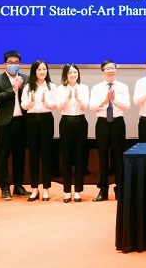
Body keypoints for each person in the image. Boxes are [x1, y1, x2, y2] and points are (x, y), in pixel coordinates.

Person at [0, 50, 30, 200]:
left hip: (21, 122)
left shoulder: (26, 79)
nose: (14, 65)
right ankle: (4, 188)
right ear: (5, 64)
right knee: (3, 156)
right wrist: (13, 89)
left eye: (16, 63)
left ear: (20, 64)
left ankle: (18, 186)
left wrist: (22, 88)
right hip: (4, 124)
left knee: (20, 156)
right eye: (10, 63)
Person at [89, 60, 130, 201]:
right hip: (102, 123)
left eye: (113, 68)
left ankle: (120, 189)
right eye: (108, 68)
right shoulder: (97, 88)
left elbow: (127, 106)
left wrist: (115, 99)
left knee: (119, 156)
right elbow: (92, 107)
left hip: (118, 123)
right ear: (102, 71)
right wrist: (106, 100)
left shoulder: (123, 87)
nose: (111, 70)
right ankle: (103, 189)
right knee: (102, 156)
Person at [20, 60, 57, 202]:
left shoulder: (51, 86)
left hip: (46, 120)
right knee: (33, 154)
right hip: (31, 120)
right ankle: (34, 188)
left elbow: (55, 105)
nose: (42, 72)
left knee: (46, 154)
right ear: (34, 71)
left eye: (44, 69)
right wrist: (31, 101)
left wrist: (46, 102)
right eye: (39, 69)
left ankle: (46, 188)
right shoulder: (27, 87)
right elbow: (24, 105)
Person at [55, 63, 89, 203]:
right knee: (67, 157)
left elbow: (86, 106)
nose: (73, 75)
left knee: (80, 156)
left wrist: (78, 98)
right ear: (65, 75)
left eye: (75, 72)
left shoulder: (83, 88)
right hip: (66, 122)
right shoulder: (60, 89)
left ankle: (78, 191)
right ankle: (67, 191)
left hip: (80, 121)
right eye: (70, 73)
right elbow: (59, 106)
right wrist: (68, 98)